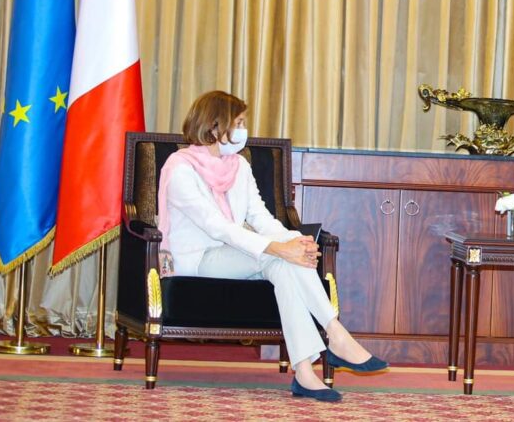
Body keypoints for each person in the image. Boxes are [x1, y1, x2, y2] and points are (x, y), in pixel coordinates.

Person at [157, 90, 388, 402]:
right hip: (197, 259)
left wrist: (294, 241)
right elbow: (218, 227)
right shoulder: (180, 169)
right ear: (214, 126)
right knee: (281, 258)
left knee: (286, 266)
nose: (243, 130)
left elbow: (260, 217)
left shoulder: (238, 166)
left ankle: (305, 373)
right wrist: (280, 248)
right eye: (238, 123)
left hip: (236, 255)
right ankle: (336, 335)